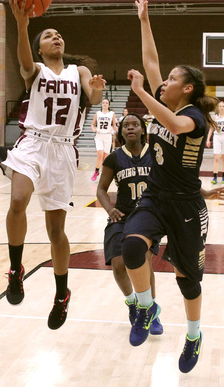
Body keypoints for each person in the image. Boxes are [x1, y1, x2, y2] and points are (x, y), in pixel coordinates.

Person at [121, 0, 223, 373]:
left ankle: (194, 334)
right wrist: (144, 18)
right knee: (132, 249)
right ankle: (146, 308)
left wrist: (142, 95)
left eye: (172, 80)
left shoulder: (193, 116)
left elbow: (174, 124)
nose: (164, 82)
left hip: (186, 206)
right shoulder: (167, 98)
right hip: (156, 196)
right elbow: (152, 62)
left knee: (187, 280)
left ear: (188, 88)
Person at [1, 0, 106, 330]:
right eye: (48, 35)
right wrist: (21, 23)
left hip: (63, 151)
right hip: (32, 143)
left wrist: (100, 92)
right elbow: (23, 60)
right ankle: (16, 271)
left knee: (55, 230)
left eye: (59, 34)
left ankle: (62, 294)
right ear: (40, 49)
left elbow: (94, 99)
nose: (56, 37)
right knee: (18, 199)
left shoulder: (80, 71)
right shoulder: (36, 71)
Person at [96, 112, 163, 335]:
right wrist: (109, 208)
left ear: (143, 130)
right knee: (118, 266)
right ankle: (133, 302)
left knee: (144, 262)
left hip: (148, 218)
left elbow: (175, 178)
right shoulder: (114, 158)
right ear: (121, 131)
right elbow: (101, 189)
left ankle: (151, 311)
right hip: (122, 216)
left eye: (135, 124)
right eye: (126, 125)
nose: (131, 128)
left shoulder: (155, 154)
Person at [206, 100, 224, 184]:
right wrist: (208, 139)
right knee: (217, 157)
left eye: (223, 106)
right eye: (220, 106)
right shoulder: (214, 117)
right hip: (217, 136)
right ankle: (215, 177)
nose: (221, 108)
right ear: (218, 108)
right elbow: (211, 128)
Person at [91, 98, 117, 181]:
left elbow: (114, 125)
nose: (105, 104)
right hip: (99, 135)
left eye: (106, 103)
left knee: (105, 158)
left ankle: (103, 174)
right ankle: (96, 171)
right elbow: (92, 124)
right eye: (103, 102)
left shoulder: (112, 114)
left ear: (109, 105)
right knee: (100, 154)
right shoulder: (97, 113)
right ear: (101, 104)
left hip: (107, 136)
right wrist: (93, 129)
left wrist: (117, 129)